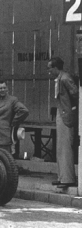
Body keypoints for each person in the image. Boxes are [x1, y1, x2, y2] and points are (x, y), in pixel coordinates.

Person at [47, 57, 78, 188]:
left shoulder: (65, 78)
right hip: (62, 112)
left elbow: (76, 94)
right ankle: (62, 176)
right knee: (60, 147)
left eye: (50, 68)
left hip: (66, 114)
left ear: (55, 68)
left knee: (65, 147)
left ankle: (68, 178)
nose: (49, 71)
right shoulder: (60, 79)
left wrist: (72, 110)